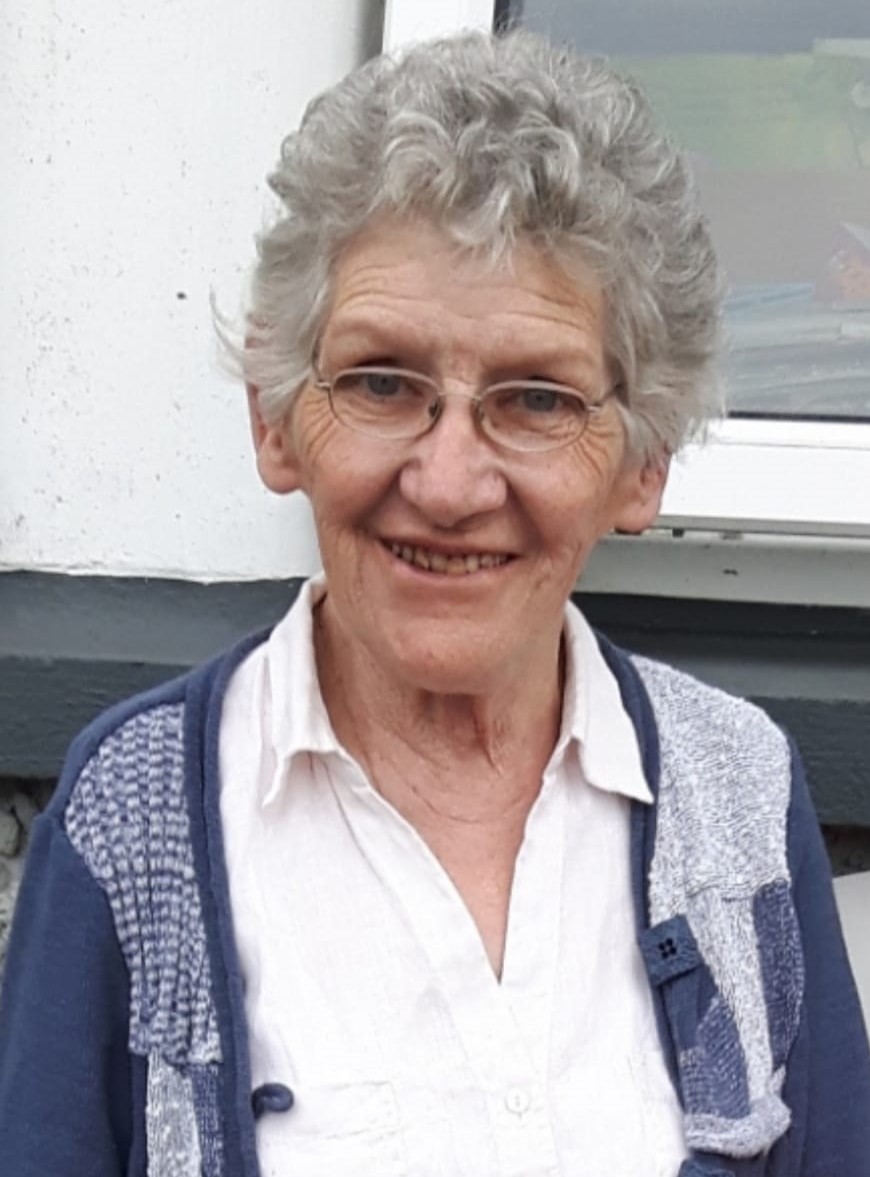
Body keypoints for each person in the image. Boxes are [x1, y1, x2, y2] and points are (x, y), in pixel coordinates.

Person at [1, 28, 868, 1177]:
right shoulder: (135, 816)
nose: (450, 484)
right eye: (380, 381)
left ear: (644, 460)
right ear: (275, 417)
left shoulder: (739, 792)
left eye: (538, 399)